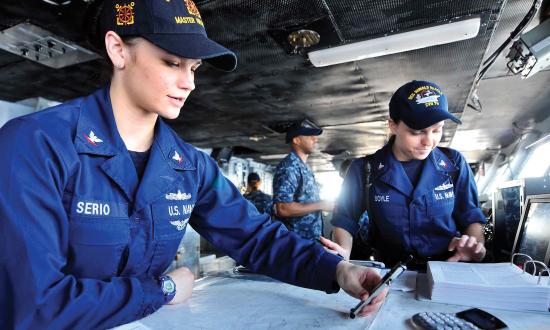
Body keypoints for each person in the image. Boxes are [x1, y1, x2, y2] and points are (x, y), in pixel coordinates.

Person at [0, 1, 385, 328]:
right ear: (118, 49)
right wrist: (163, 289)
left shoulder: (188, 165)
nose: (189, 83)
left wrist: (336, 271)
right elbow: (35, 305)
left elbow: (254, 236)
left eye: (194, 68)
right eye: (172, 62)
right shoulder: (36, 145)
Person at [330, 81, 487, 267]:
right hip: (389, 271)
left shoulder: (454, 164)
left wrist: (476, 247)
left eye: (437, 130)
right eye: (417, 132)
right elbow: (345, 222)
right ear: (393, 126)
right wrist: (341, 259)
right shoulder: (364, 170)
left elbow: (471, 216)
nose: (428, 141)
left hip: (447, 267)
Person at [273, 119, 335, 241]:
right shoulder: (289, 166)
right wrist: (320, 204)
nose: (315, 139)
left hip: (309, 241)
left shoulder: (303, 167)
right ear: (297, 140)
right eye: (309, 136)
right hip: (296, 244)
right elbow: (283, 208)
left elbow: (305, 201)